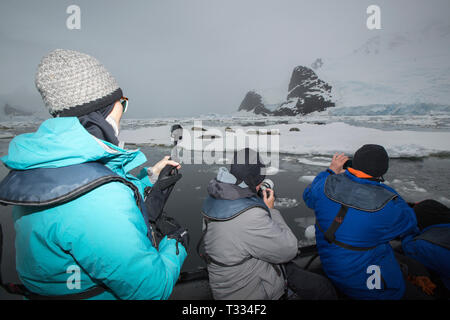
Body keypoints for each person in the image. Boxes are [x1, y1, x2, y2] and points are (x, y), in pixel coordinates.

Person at [0, 49, 188, 300]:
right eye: (123, 102)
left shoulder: (43, 166)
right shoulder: (101, 197)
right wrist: (175, 244)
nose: (123, 110)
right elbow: (150, 291)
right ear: (104, 110)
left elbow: (85, 184)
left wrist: (149, 177)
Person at [198, 148, 337, 300]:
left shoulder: (216, 198)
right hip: (250, 290)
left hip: (234, 278)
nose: (260, 185)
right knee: (323, 289)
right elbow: (288, 250)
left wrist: (253, 198)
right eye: (258, 181)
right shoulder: (250, 216)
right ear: (252, 180)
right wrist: (271, 211)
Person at [303, 144, 431, 300]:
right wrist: (384, 190)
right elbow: (409, 222)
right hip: (367, 285)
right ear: (382, 171)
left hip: (332, 266)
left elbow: (308, 197)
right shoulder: (387, 204)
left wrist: (331, 171)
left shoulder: (324, 183)